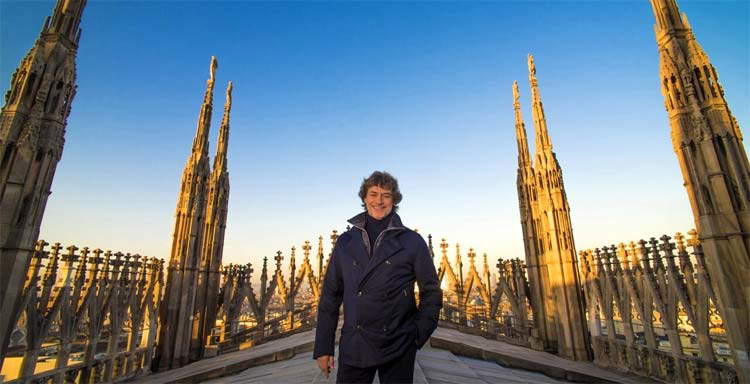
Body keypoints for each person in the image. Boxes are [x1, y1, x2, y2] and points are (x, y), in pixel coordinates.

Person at [313, 171, 443, 384]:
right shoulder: (345, 242)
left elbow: (432, 292)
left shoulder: (412, 241)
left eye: (386, 195)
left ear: (395, 200)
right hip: (355, 345)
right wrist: (323, 348)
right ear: (364, 198)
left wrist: (416, 336)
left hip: (397, 345)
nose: (379, 201)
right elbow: (330, 296)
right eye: (373, 194)